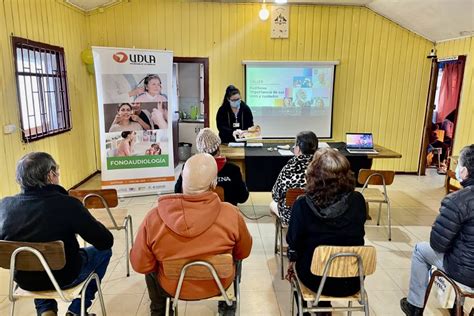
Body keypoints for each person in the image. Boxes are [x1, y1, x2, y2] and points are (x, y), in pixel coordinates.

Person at [130, 153, 252, 316]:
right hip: (218, 284)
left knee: (151, 268)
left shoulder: (154, 217)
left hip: (171, 286)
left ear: (181, 180)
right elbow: (244, 251)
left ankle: (159, 310)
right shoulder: (232, 215)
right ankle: (228, 306)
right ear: (214, 183)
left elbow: (140, 265)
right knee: (236, 258)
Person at [0, 152, 114, 316]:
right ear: (50, 175)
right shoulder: (68, 205)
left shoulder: (4, 206)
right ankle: (76, 311)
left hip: (24, 280)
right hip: (65, 277)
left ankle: (46, 309)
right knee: (103, 252)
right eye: (57, 172)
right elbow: (105, 241)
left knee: (34, 255)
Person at [286, 148, 366, 314]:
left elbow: (292, 241)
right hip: (351, 279)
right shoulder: (358, 201)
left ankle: (306, 310)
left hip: (313, 278)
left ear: (313, 176)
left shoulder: (302, 205)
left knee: (297, 261)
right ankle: (323, 309)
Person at [400, 145, 474, 316]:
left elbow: (438, 244)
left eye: (456, 164)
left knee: (420, 249)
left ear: (463, 171)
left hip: (464, 270)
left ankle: (414, 306)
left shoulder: (457, 200)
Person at [175, 128, 249, 205]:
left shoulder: (188, 168)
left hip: (197, 215)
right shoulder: (233, 170)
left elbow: (177, 192)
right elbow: (243, 198)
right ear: (218, 148)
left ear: (200, 150)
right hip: (226, 215)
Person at [271, 131, 319, 225]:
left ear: (298, 149)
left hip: (292, 215)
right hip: (317, 214)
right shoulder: (323, 166)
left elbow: (276, 195)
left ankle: (285, 237)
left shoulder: (289, 168)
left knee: (272, 205)